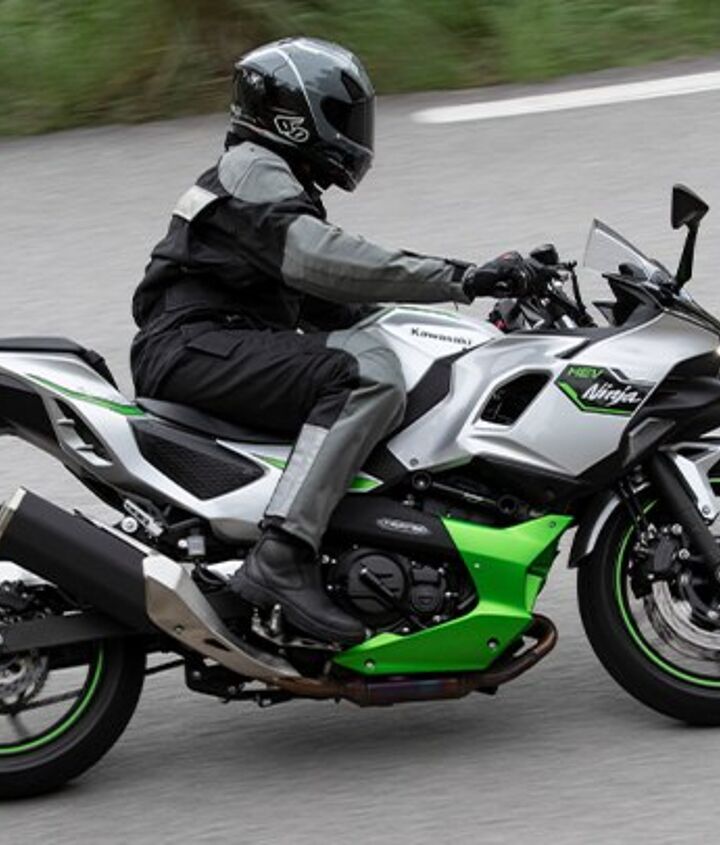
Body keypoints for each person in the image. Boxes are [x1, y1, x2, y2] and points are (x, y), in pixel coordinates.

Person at [131, 37, 545, 646]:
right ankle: (283, 553)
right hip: (194, 346)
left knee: (377, 352)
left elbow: (345, 306)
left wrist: (483, 332)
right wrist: (462, 278)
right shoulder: (253, 168)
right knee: (365, 373)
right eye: (344, 116)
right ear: (296, 117)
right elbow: (321, 261)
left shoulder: (268, 183)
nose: (356, 132)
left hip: (212, 346)